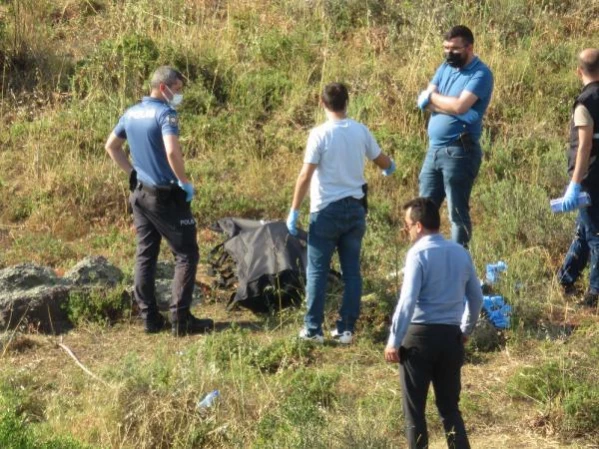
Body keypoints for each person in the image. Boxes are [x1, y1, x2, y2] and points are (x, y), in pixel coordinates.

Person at [105, 66, 213, 336]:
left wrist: (132, 173)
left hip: (140, 194)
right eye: (177, 89)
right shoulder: (166, 114)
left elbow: (111, 146)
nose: (179, 94)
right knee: (187, 253)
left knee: (146, 254)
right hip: (164, 195)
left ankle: (149, 318)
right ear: (163, 87)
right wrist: (184, 182)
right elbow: (172, 151)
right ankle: (180, 318)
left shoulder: (131, 113)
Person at [286, 82, 396, 344]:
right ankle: (346, 329)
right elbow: (382, 160)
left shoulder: (320, 134)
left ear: (322, 103)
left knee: (317, 271)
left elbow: (305, 175)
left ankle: (313, 329)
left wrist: (294, 210)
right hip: (355, 209)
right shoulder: (360, 130)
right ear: (348, 102)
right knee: (352, 272)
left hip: (326, 210)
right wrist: (390, 167)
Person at [385, 197, 483, 449]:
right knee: (450, 409)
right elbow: (476, 297)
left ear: (418, 226)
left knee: (414, 411)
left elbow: (407, 302)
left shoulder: (418, 254)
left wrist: (394, 341)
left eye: (407, 225)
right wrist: (465, 329)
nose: (406, 231)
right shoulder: (460, 252)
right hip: (450, 338)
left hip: (419, 337)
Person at [416, 25, 494, 247]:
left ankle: (459, 264)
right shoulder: (445, 67)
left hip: (460, 150)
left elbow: (459, 105)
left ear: (469, 48)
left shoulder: (481, 74)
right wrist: (447, 104)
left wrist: (434, 100)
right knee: (423, 209)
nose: (449, 53)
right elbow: (429, 98)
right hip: (434, 150)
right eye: (446, 48)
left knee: (457, 214)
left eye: (455, 49)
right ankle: (426, 258)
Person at [557, 48, 599, 309]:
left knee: (594, 233)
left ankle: (595, 292)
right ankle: (565, 278)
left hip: (589, 176)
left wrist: (575, 183)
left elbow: (584, 146)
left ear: (578, 71)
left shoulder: (585, 103)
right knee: (584, 231)